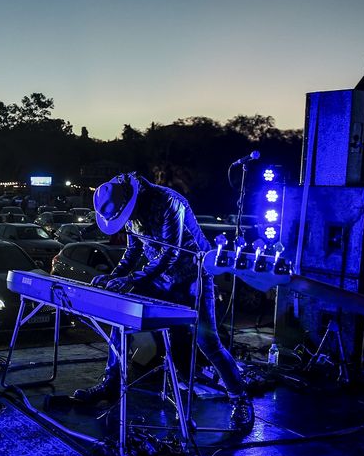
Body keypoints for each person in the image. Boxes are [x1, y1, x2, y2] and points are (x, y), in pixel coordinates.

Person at [73, 172, 254, 433]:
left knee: (209, 343)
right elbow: (133, 250)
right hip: (161, 277)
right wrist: (114, 278)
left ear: (129, 201)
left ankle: (240, 400)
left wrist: (132, 279)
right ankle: (110, 383)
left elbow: (171, 253)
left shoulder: (169, 202)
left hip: (194, 278)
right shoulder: (129, 211)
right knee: (119, 316)